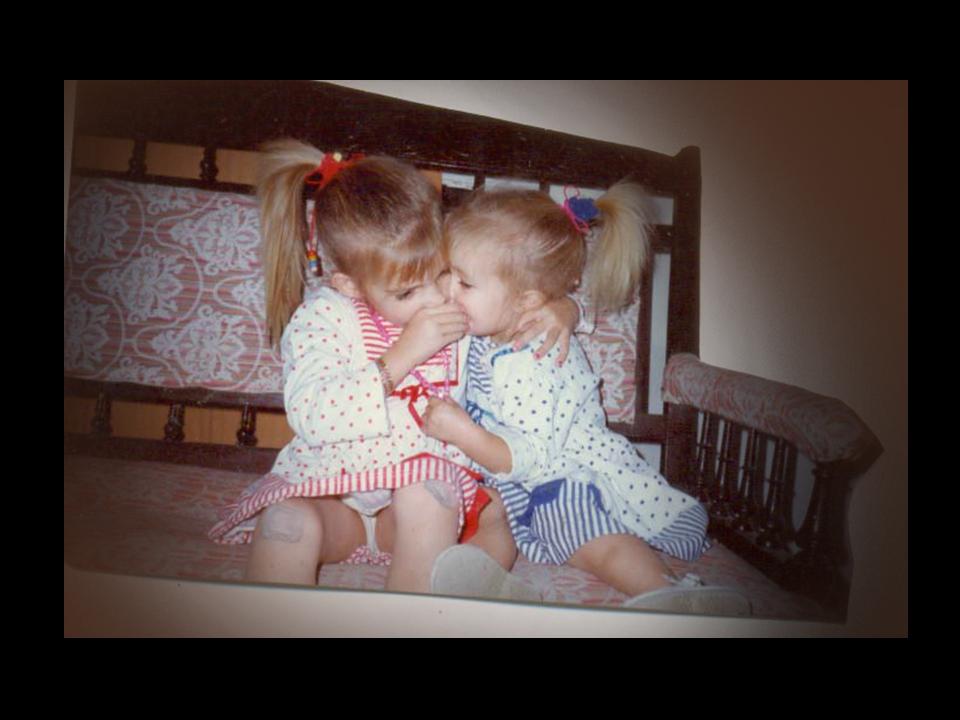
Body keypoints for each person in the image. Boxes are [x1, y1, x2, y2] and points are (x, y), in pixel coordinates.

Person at [209, 140, 580, 597]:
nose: (435, 298)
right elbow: (311, 413)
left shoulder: (456, 304)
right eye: (406, 293)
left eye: (440, 273)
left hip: (415, 515)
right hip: (335, 498)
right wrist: (403, 355)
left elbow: (512, 300)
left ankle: (417, 610)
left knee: (453, 502)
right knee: (286, 522)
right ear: (348, 284)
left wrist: (564, 308)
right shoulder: (323, 317)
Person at [423, 183, 752, 615]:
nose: (448, 291)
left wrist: (462, 433)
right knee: (489, 510)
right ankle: (489, 581)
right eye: (448, 273)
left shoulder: (534, 359)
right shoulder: (488, 328)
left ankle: (674, 594)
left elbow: (530, 456)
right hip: (515, 483)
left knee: (590, 539)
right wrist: (568, 306)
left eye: (464, 282)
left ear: (527, 300)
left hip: (564, 478)